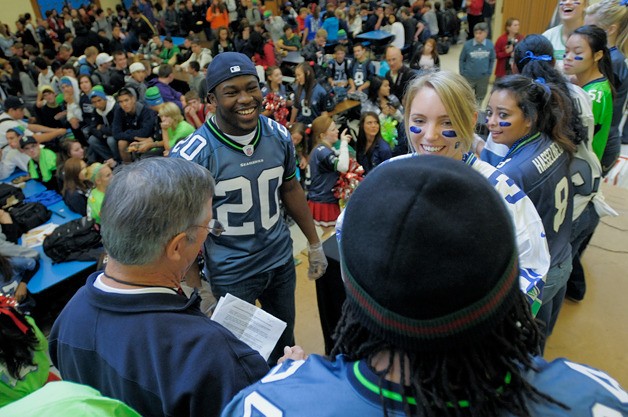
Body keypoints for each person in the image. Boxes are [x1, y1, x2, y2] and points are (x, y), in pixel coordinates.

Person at [221, 155, 628, 417]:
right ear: (508, 290)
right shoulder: (594, 398)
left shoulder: (267, 406)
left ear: (353, 296)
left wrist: (296, 381)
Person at [49, 158, 271, 417]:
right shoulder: (213, 356)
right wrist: (285, 385)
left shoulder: (69, 315)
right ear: (176, 247)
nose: (208, 234)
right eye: (207, 226)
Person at [169, 52, 327, 365]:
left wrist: (314, 242)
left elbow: (291, 187)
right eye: (232, 91)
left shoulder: (278, 134)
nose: (246, 98)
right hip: (231, 272)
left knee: (285, 343)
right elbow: (179, 227)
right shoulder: (193, 156)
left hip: (280, 260)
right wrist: (196, 284)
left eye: (251, 87)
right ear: (211, 98)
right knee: (241, 357)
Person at [403, 69, 550, 315]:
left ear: (471, 121)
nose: (430, 135)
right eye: (419, 120)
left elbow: (531, 275)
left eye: (447, 121)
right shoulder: (387, 176)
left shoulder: (502, 194)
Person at [484, 74, 576, 348]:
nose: (491, 122)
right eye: (489, 112)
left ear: (530, 117)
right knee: (542, 337)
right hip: (562, 258)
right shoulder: (552, 142)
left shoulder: (512, 173)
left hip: (539, 275)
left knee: (523, 347)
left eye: (503, 115)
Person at [564, 25, 618, 174]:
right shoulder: (577, 82)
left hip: (582, 170)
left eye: (577, 52)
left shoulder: (595, 95)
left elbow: (571, 137)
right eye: (566, 51)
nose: (568, 57)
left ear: (597, 56)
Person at [585, 0, 628, 145]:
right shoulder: (609, 56)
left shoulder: (613, 61)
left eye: (591, 28)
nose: (585, 33)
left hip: (603, 140)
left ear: (610, 29)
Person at [307, 115, 350, 230]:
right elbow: (343, 166)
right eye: (333, 129)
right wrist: (344, 143)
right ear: (322, 135)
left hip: (322, 199)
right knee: (331, 237)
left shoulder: (320, 149)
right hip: (324, 202)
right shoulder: (322, 152)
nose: (337, 131)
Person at [111, 87, 157, 162]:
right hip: (134, 137)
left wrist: (128, 133)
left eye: (126, 100)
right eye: (121, 102)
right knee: (121, 143)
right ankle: (127, 167)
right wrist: (132, 135)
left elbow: (145, 132)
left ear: (133, 99)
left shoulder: (145, 110)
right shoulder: (119, 110)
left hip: (147, 138)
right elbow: (115, 133)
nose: (124, 104)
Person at [543, 0, 587, 71]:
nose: (567, 2)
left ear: (585, 5)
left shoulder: (593, 37)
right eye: (563, 0)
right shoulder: (547, 36)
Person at [459, 22, 496, 104]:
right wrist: (462, 72)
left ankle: (476, 113)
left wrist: (489, 73)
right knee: (466, 96)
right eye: (476, 33)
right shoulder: (467, 45)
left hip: (483, 78)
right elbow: (462, 59)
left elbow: (492, 59)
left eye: (480, 33)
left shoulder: (490, 45)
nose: (477, 35)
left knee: (480, 97)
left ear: (486, 33)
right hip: (468, 76)